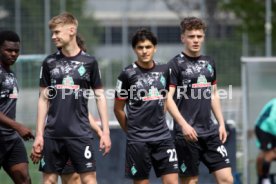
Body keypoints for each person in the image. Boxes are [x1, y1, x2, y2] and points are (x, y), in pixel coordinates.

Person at [31, 12, 111, 184]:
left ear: (72, 30)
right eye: (52, 33)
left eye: (57, 32)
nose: (53, 37)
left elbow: (100, 97)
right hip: (53, 134)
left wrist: (105, 131)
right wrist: (39, 134)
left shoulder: (90, 62)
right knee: (49, 181)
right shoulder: (49, 62)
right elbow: (43, 100)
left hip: (80, 134)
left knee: (89, 180)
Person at [166, 17, 233, 184]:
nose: (195, 40)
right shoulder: (175, 65)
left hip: (210, 132)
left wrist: (221, 123)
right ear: (183, 38)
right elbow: (167, 98)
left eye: (199, 36)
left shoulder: (209, 62)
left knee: (227, 179)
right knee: (191, 181)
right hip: (187, 135)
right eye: (191, 36)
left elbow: (213, 94)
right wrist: (183, 125)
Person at [114, 28, 179, 184]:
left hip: (163, 137)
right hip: (138, 141)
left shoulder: (164, 70)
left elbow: (165, 99)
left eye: (148, 47)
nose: (144, 51)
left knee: (172, 181)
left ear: (154, 48)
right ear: (134, 49)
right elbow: (118, 109)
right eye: (140, 47)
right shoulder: (126, 74)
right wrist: (130, 131)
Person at [0, 30, 34, 184]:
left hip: (10, 139)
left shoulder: (10, 73)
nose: (13, 54)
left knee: (24, 179)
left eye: (16, 51)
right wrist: (17, 126)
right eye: (8, 50)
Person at [255, 98, 276, 184]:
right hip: (264, 129)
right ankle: (264, 179)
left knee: (263, 155)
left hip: (270, 130)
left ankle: (262, 179)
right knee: (269, 154)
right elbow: (270, 120)